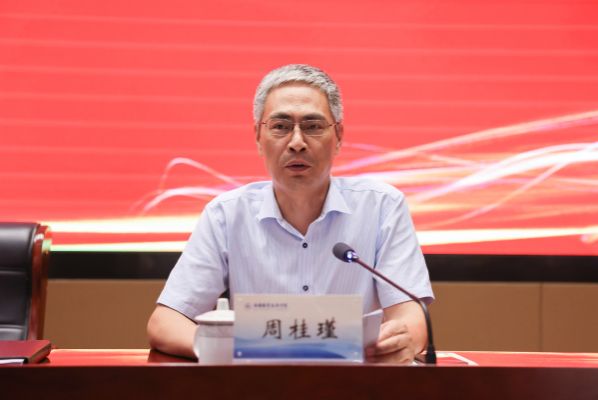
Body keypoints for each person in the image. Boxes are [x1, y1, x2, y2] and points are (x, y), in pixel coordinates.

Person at [147, 64, 434, 364]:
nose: (297, 142)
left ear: (338, 136)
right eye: (281, 126)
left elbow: (412, 318)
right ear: (258, 137)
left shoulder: (382, 206)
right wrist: (234, 348)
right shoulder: (226, 215)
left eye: (313, 126)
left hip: (354, 383)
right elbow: (164, 323)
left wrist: (402, 341)